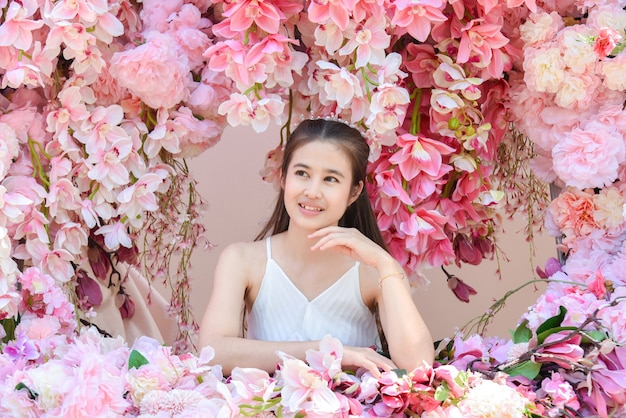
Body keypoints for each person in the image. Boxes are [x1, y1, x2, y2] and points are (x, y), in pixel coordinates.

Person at [199, 118, 434, 376]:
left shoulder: (373, 271)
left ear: (354, 192)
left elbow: (417, 366)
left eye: (330, 179)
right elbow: (212, 353)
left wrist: (386, 264)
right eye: (302, 174)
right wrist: (332, 353)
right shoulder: (242, 261)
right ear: (284, 177)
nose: (312, 191)